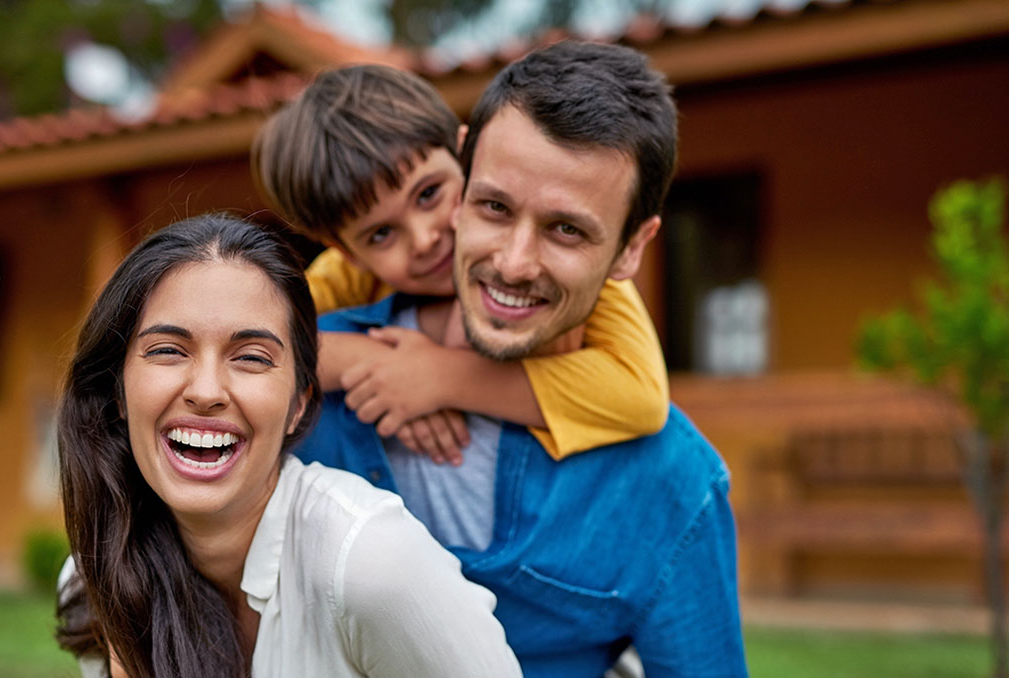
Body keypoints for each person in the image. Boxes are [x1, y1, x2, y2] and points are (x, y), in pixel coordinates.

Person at [293, 41, 748, 678]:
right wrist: (358, 363)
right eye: (494, 207)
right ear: (467, 165)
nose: (513, 261)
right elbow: (235, 345)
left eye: (568, 229)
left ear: (629, 251)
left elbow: (643, 402)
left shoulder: (671, 483)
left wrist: (439, 377)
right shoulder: (306, 392)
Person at [54, 213, 522, 678]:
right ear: (117, 389)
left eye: (252, 358)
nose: (206, 390)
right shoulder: (92, 577)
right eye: (168, 350)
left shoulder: (369, 563)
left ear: (299, 404)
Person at [252, 63, 669, 465]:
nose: (424, 238)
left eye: (429, 193)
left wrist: (444, 379)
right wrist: (373, 364)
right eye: (381, 234)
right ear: (349, 254)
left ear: (466, 155)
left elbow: (641, 396)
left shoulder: (573, 269)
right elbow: (247, 341)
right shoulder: (344, 277)